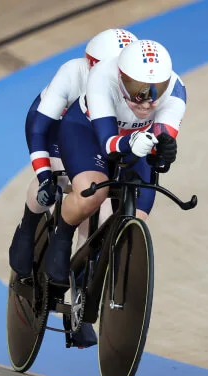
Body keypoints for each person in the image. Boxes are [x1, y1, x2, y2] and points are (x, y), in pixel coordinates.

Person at [42, 39, 186, 346]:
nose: (147, 101)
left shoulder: (176, 92)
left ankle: (91, 285)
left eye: (155, 90)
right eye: (137, 89)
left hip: (136, 142)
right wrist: (131, 144)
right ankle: (61, 235)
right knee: (91, 195)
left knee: (139, 218)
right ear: (120, 77)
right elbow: (108, 143)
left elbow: (162, 136)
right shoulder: (102, 78)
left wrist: (164, 151)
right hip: (88, 133)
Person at [9, 28, 138, 279]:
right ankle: (27, 228)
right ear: (92, 66)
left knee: (100, 211)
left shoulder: (129, 88)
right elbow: (39, 129)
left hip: (97, 132)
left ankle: (83, 285)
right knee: (59, 177)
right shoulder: (72, 73)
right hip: (59, 124)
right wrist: (44, 174)